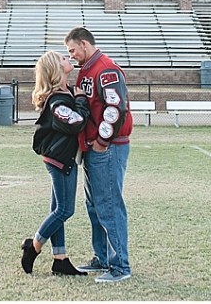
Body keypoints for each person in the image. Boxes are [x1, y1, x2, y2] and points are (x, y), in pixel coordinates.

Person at [64, 26, 133, 283]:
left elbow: (116, 108)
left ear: (84, 44)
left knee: (109, 205)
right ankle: (102, 258)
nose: (71, 56)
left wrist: (103, 141)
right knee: (94, 205)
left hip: (108, 146)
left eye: (72, 50)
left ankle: (120, 266)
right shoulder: (86, 70)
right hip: (92, 147)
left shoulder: (106, 68)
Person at [21, 51, 89, 277]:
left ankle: (60, 259)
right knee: (65, 209)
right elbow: (75, 122)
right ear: (55, 68)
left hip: (62, 158)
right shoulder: (57, 99)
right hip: (60, 160)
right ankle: (34, 245)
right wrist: (80, 100)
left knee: (57, 209)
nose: (67, 58)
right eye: (62, 58)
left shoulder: (65, 92)